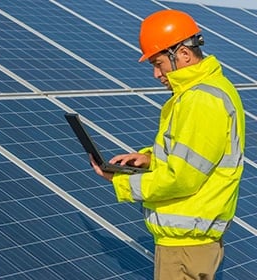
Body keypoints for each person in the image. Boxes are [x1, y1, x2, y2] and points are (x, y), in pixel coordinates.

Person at [90, 9, 245, 280]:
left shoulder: (200, 100)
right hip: (190, 243)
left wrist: (121, 183)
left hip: (186, 247)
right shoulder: (204, 91)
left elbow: (182, 178)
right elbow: (192, 154)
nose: (155, 74)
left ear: (183, 54)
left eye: (158, 63)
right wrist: (148, 159)